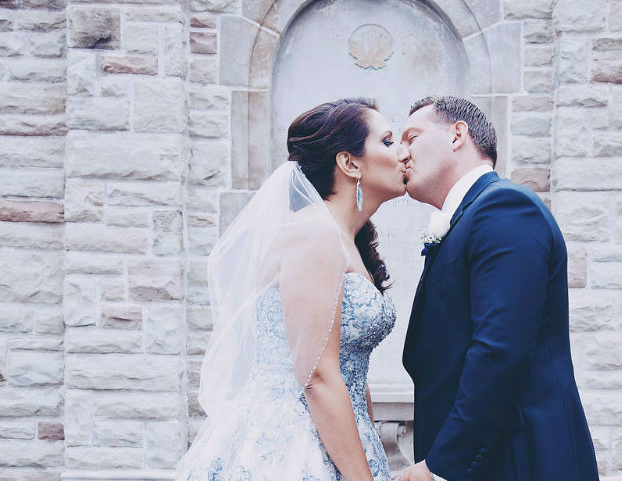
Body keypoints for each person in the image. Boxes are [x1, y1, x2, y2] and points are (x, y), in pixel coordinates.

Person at [174, 98, 407, 481]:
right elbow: (316, 375)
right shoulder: (314, 234)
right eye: (387, 141)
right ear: (349, 163)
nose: (402, 153)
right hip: (292, 446)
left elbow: (349, 367)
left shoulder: (347, 239)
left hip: (343, 435)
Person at [394, 96, 599, 481]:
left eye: (412, 137)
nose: (401, 154)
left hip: (520, 459)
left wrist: (442, 467)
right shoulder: (465, 220)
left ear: (458, 134)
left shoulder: (504, 207)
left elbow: (499, 349)